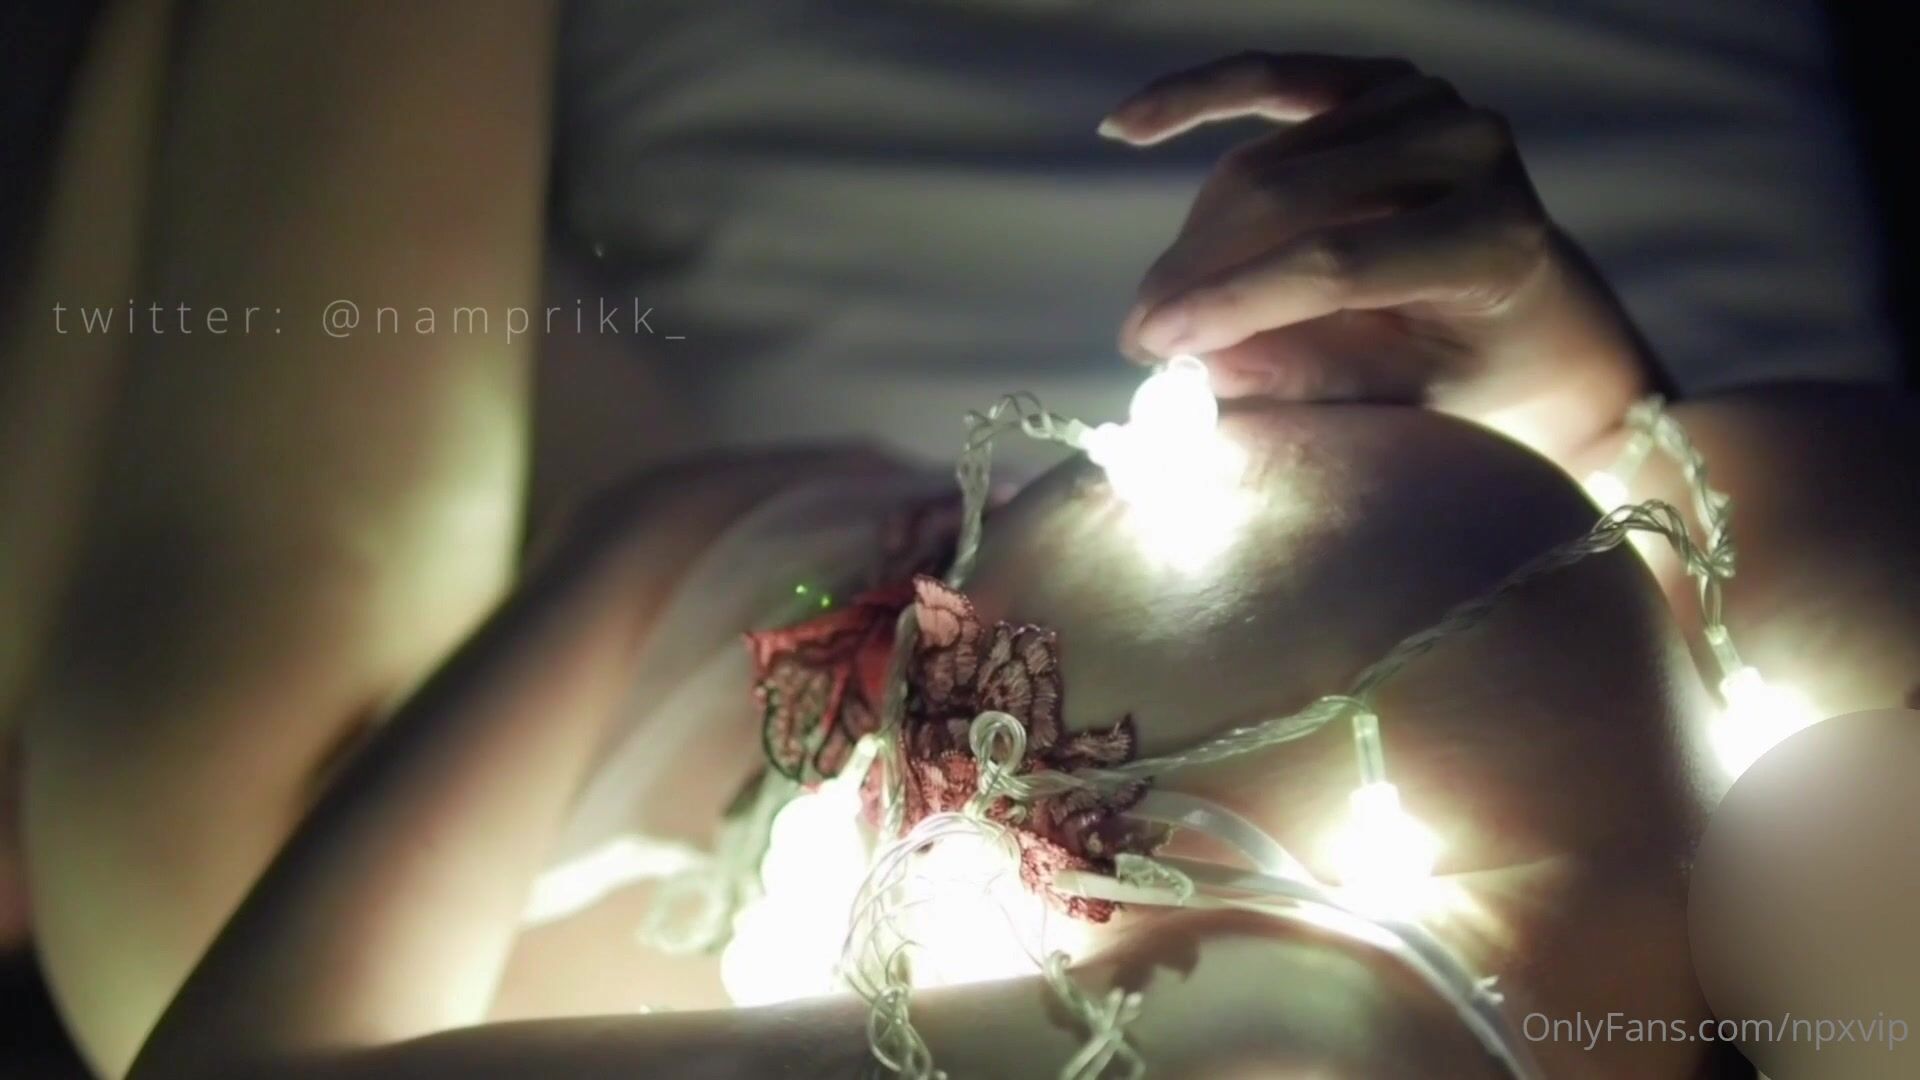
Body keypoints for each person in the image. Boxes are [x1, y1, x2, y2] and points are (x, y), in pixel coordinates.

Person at [0, 2, 1913, 1077]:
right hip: (747, 594)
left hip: (375, 821)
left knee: (180, 780)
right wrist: (1573, 392)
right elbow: (1724, 503)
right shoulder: (1828, 713)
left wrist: (625, 558)